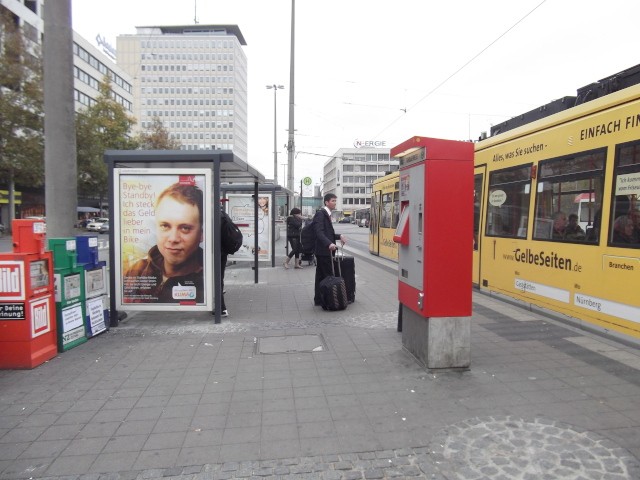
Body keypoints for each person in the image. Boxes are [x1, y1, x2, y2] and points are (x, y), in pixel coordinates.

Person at [124, 182, 204, 303]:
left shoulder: (207, 276)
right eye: (165, 226)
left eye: (185, 228)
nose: (173, 238)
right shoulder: (136, 270)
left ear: (201, 234)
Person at [313, 193, 347, 306]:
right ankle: (328, 300)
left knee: (321, 276)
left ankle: (319, 299)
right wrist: (329, 244)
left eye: (335, 201)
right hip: (323, 251)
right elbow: (319, 232)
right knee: (327, 276)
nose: (335, 203)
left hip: (324, 250)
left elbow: (328, 233)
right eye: (333, 201)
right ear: (326, 202)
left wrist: (339, 236)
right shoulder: (320, 214)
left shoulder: (326, 214)